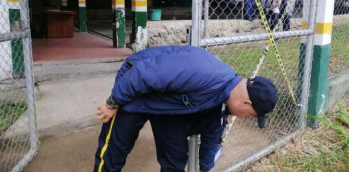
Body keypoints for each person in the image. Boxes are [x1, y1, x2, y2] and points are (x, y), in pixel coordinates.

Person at [94, 45, 278, 172]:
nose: (246, 118)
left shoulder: (223, 100)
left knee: (175, 160)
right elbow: (144, 74)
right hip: (136, 88)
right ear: (246, 104)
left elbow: (213, 134)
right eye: (251, 115)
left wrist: (205, 167)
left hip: (168, 104)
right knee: (115, 151)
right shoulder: (204, 71)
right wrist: (113, 103)